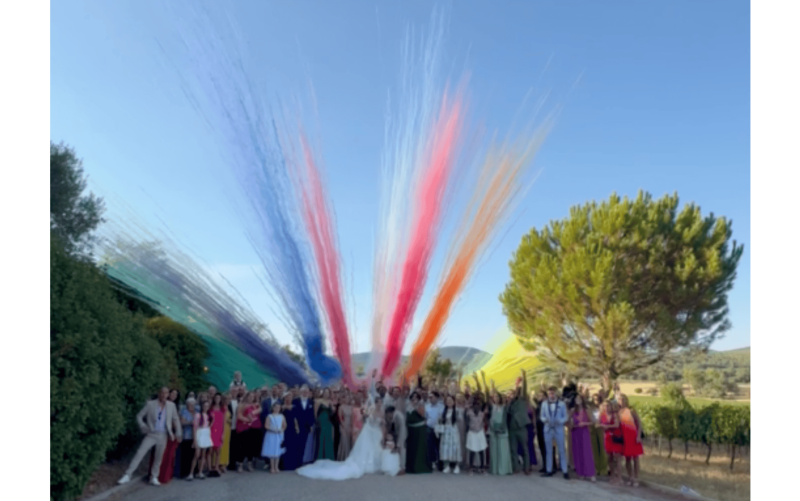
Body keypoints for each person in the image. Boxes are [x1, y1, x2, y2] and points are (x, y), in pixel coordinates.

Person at [295, 374, 385, 480]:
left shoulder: (375, 409)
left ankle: (372, 464)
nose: (379, 404)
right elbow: (321, 414)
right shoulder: (321, 402)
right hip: (331, 424)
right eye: (378, 402)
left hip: (371, 430)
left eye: (380, 402)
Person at [118, 387, 181, 487]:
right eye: (162, 393)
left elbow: (175, 419)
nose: (164, 395)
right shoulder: (150, 404)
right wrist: (143, 426)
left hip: (163, 434)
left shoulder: (171, 405)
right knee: (140, 453)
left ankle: (154, 477)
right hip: (151, 434)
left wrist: (178, 433)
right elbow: (139, 416)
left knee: (158, 457)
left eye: (166, 393)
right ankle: (127, 474)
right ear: (159, 393)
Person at [540, 386, 569, 479]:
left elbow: (565, 416)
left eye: (553, 393)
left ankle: (565, 470)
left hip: (558, 428)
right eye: (550, 393)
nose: (551, 395)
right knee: (549, 450)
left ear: (556, 393)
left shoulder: (562, 404)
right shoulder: (544, 404)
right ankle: (549, 470)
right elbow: (541, 416)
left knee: (561, 450)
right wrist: (545, 420)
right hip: (548, 428)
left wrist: (560, 421)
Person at [507, 377, 532, 475]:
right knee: (513, 449)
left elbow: (524, 389)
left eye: (516, 392)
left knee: (525, 449)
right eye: (513, 393)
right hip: (512, 429)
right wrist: (509, 401)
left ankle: (526, 467)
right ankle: (515, 467)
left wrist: (524, 377)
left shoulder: (522, 400)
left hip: (521, 428)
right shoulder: (510, 403)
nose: (514, 394)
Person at [618, 395, 644, 487]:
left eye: (623, 400)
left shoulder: (632, 411)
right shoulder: (618, 412)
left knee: (635, 459)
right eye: (620, 400)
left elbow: (639, 423)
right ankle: (630, 477)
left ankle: (636, 478)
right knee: (627, 459)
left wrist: (638, 435)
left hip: (634, 436)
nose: (621, 401)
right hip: (625, 437)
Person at [570, 394, 596, 482]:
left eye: (579, 398)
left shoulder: (587, 410)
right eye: (576, 399)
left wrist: (584, 424)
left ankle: (591, 473)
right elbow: (568, 420)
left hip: (584, 432)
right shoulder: (573, 410)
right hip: (576, 432)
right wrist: (571, 425)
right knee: (578, 452)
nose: (577, 400)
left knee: (587, 452)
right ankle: (580, 472)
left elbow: (592, 422)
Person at [405, 392, 431, 474]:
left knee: (419, 448)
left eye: (416, 397)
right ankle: (410, 466)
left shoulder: (421, 405)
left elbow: (423, 415)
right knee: (411, 448)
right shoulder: (407, 405)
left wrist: (416, 407)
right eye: (413, 397)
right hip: (410, 429)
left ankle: (419, 467)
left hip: (419, 430)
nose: (414, 399)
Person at [598, 400, 623, 485]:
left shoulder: (615, 414)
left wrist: (606, 426)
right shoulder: (602, 415)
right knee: (610, 458)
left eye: (608, 406)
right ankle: (612, 476)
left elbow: (617, 425)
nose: (606, 407)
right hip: (607, 438)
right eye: (605, 406)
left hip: (615, 437)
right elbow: (597, 424)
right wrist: (601, 426)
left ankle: (619, 477)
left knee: (617, 458)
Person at [187, 400, 213, 480]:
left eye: (207, 406)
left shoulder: (208, 415)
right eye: (205, 406)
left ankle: (200, 472)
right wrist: (195, 440)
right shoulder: (198, 415)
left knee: (203, 454)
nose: (206, 407)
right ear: (202, 406)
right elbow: (194, 428)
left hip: (206, 433)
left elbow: (209, 426)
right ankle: (191, 473)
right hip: (199, 434)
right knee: (197, 454)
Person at [488, 392, 512, 476]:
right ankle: (494, 469)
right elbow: (491, 418)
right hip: (493, 430)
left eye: (497, 397)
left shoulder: (504, 407)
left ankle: (503, 469)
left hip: (502, 430)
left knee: (503, 450)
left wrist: (500, 429)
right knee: (494, 450)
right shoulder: (493, 407)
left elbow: (505, 420)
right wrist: (493, 428)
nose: (496, 399)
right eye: (494, 397)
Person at [439, 395, 462, 474]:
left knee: (455, 447)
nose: (449, 402)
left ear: (454, 402)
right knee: (446, 447)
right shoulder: (444, 410)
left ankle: (457, 465)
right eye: (447, 400)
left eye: (450, 400)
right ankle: (447, 465)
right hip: (446, 430)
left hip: (454, 430)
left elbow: (460, 420)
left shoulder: (457, 410)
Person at [262, 402, 287, 473]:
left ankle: (276, 467)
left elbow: (284, 425)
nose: (277, 409)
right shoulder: (269, 416)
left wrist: (281, 429)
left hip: (279, 435)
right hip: (271, 435)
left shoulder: (282, 416)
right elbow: (266, 426)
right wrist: (272, 429)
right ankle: (272, 467)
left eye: (278, 408)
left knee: (278, 451)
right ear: (273, 408)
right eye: (275, 407)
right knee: (272, 451)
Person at [465, 399, 488, 476]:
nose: (477, 406)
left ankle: (482, 468)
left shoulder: (482, 414)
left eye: (478, 405)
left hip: (480, 432)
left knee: (481, 450)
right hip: (472, 432)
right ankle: (471, 467)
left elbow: (484, 422)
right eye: (475, 405)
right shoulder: (469, 413)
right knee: (472, 450)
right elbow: (467, 422)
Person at [588, 393, 608, 477]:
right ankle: (596, 468)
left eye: (597, 398)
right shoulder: (590, 408)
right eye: (594, 398)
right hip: (592, 428)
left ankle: (603, 469)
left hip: (601, 428)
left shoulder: (602, 407)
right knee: (594, 449)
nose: (596, 400)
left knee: (603, 449)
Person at [424, 392, 444, 471]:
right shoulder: (427, 406)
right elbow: (425, 417)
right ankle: (431, 462)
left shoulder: (441, 406)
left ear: (436, 397)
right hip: (429, 427)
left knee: (439, 446)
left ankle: (440, 463)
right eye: (429, 397)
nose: (430, 398)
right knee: (430, 445)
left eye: (432, 397)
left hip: (438, 428)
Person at [315, 388, 336, 460]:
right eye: (325, 392)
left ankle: (328, 457)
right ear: (323, 393)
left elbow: (332, 413)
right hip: (321, 422)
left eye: (328, 392)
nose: (326, 394)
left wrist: (333, 409)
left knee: (328, 439)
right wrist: (317, 422)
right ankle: (320, 457)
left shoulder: (330, 402)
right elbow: (315, 414)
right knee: (321, 439)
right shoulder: (318, 401)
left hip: (328, 422)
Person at [209, 393, 226, 476]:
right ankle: (209, 467)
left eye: (219, 398)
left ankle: (216, 467)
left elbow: (224, 422)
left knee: (218, 451)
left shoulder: (223, 409)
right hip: (211, 431)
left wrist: (223, 434)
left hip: (219, 431)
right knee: (210, 451)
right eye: (216, 398)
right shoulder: (210, 408)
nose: (217, 399)